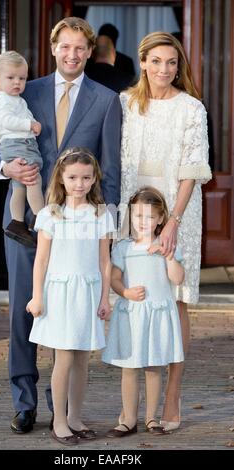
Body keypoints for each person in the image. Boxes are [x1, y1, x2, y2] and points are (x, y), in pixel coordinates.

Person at [0, 17, 122, 434]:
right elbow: (2, 144)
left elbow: (111, 168)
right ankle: (24, 401)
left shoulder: (106, 100)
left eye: (80, 48)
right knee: (23, 312)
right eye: (65, 47)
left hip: (78, 228)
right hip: (26, 221)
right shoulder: (23, 89)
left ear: (90, 51)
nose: (72, 55)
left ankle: (61, 408)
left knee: (68, 312)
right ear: (54, 48)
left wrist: (111, 224)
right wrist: (5, 166)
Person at [119, 31, 212, 430]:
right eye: (156, 61)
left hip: (178, 210)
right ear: (142, 62)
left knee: (175, 300)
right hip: (131, 210)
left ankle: (172, 397)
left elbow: (192, 169)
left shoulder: (192, 109)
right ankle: (131, 408)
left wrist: (173, 220)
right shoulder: (124, 103)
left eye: (171, 62)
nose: (164, 69)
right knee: (134, 300)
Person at [26, 147, 115, 445]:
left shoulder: (101, 214)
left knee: (81, 359)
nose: (80, 183)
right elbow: (41, 260)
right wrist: (37, 297)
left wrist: (105, 298)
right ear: (61, 178)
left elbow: (105, 261)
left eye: (86, 178)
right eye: (73, 177)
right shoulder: (50, 215)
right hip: (60, 293)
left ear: (94, 180)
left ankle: (76, 417)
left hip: (88, 293)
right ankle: (59, 421)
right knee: (62, 358)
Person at [103, 187, 184, 436]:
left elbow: (178, 278)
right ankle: (128, 418)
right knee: (129, 368)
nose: (143, 222)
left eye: (149, 217)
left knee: (153, 367)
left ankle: (151, 418)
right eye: (138, 216)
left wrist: (168, 255)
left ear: (160, 219)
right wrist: (125, 293)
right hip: (133, 315)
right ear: (131, 216)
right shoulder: (124, 247)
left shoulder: (166, 245)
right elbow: (114, 278)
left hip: (157, 315)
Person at [0, 51, 44, 248]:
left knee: (19, 186)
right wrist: (29, 124)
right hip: (19, 144)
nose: (17, 82)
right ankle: (41, 217)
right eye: (11, 77)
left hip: (17, 143)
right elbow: (5, 121)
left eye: (22, 78)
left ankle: (17, 222)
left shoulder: (14, 99)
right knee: (33, 179)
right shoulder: (5, 99)